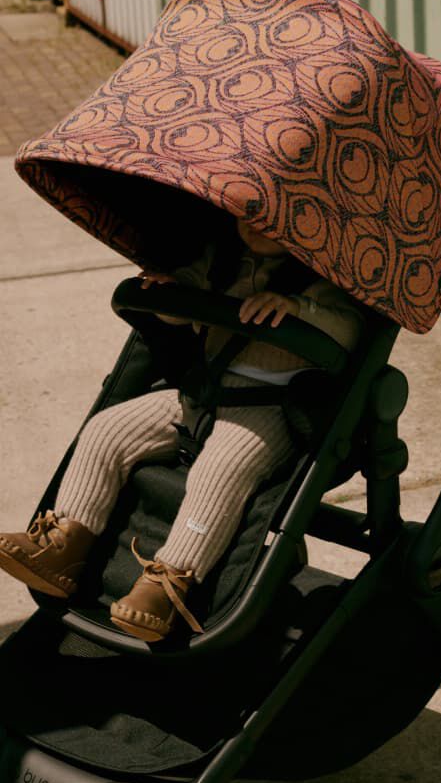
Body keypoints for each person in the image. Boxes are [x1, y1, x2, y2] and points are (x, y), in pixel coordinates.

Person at [0, 216, 364, 642]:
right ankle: (64, 546)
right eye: (245, 216)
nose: (254, 226)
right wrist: (166, 292)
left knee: (220, 469)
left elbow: (349, 327)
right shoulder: (221, 257)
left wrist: (299, 310)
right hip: (200, 392)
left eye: (268, 220)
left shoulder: (323, 275)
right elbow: (182, 298)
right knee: (107, 431)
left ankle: (169, 585)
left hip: (269, 407)